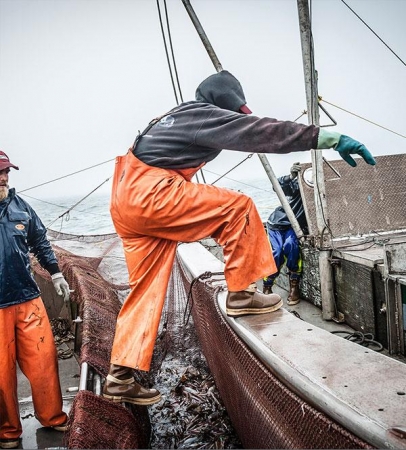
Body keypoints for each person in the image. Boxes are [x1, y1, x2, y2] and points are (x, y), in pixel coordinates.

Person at [103, 70, 376, 406]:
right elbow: (260, 132)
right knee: (240, 207)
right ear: (224, 104)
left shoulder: (173, 118)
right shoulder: (204, 115)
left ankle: (120, 375)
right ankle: (242, 294)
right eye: (235, 112)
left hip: (125, 200)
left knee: (145, 290)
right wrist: (329, 140)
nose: (234, 119)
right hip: (150, 193)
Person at [0, 151, 71, 450]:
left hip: (28, 299)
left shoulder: (20, 207)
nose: (4, 177)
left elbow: (40, 240)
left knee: (44, 361)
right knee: (1, 374)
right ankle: (8, 432)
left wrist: (56, 274)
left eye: (6, 173)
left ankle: (53, 417)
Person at [263, 162, 307, 305]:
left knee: (291, 246)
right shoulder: (296, 186)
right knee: (276, 252)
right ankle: (267, 286)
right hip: (276, 224)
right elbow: (278, 185)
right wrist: (291, 176)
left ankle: (294, 287)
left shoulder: (319, 192)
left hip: (294, 227)